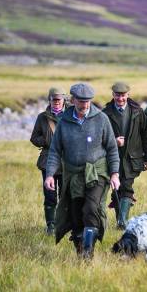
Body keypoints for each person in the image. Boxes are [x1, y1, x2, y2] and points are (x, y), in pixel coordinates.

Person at [44, 83, 120, 259]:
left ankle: (88, 252)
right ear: (72, 100)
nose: (84, 105)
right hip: (73, 174)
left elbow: (112, 149)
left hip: (97, 172)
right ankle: (80, 249)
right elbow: (55, 150)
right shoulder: (63, 121)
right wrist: (49, 174)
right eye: (80, 101)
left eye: (87, 101)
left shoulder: (101, 119)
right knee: (76, 213)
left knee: (91, 208)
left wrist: (115, 174)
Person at [103, 82, 147, 229]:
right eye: (117, 95)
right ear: (113, 95)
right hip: (112, 158)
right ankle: (120, 220)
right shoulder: (105, 113)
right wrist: (113, 142)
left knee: (126, 186)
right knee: (116, 189)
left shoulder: (137, 112)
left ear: (128, 95)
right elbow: (101, 137)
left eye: (123, 95)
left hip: (133, 159)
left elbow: (146, 136)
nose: (120, 98)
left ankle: (122, 221)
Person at [30, 87, 67, 235]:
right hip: (47, 162)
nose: (56, 102)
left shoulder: (71, 115)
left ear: (64, 100)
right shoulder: (42, 117)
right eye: (53, 100)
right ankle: (51, 225)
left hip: (66, 163)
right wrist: (46, 140)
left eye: (58, 99)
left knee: (65, 195)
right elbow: (34, 138)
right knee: (50, 196)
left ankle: (63, 223)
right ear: (49, 100)